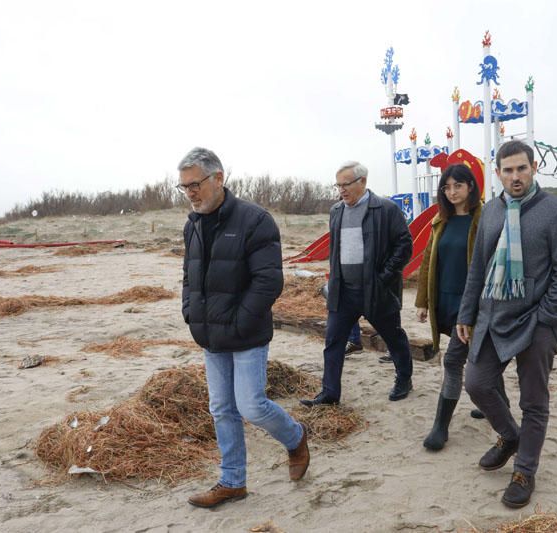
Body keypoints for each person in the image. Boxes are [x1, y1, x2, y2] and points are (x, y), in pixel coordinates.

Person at [178, 147, 309, 509]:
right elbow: (190, 276)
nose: (190, 192)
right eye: (184, 187)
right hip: (209, 335)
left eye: (195, 184)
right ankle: (232, 482)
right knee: (221, 408)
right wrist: (190, 311)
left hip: (246, 333)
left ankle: (296, 437)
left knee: (251, 405)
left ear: (218, 178)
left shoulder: (254, 220)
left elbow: (268, 281)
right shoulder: (193, 225)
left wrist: (239, 322)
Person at [457, 140, 557, 508]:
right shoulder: (492, 211)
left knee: (533, 401)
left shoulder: (556, 212)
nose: (515, 176)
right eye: (508, 170)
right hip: (493, 317)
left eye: (521, 169)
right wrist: (467, 313)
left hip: (536, 322)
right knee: (476, 383)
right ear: (497, 173)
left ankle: (524, 469)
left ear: (534, 167)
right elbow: (478, 267)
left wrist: (546, 319)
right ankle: (510, 436)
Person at [301, 161, 414, 406]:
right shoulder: (336, 211)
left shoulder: (386, 209)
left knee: (393, 337)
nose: (341, 190)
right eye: (338, 185)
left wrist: (383, 277)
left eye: (346, 184)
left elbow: (404, 245)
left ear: (362, 181)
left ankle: (404, 378)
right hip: (344, 291)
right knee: (333, 341)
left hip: (377, 290)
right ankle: (330, 393)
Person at [415, 164, 509, 450]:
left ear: (470, 186)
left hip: (475, 304)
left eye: (458, 185)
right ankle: (495, 403)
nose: (452, 192)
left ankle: (440, 427)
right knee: (481, 356)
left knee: (454, 360)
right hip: (445, 298)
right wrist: (423, 301)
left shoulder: (486, 218)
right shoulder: (440, 220)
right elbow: (428, 260)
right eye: (447, 187)